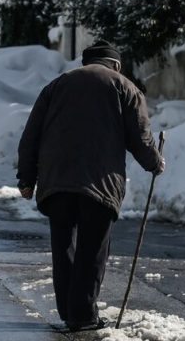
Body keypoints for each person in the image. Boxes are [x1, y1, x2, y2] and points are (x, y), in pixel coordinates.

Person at [16, 40, 165, 332]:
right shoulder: (124, 87)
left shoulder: (56, 86)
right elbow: (139, 136)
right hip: (100, 182)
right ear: (116, 64)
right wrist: (154, 162)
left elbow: (31, 134)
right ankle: (83, 315)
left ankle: (68, 311)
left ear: (85, 62)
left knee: (64, 247)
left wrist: (26, 178)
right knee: (92, 248)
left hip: (57, 180)